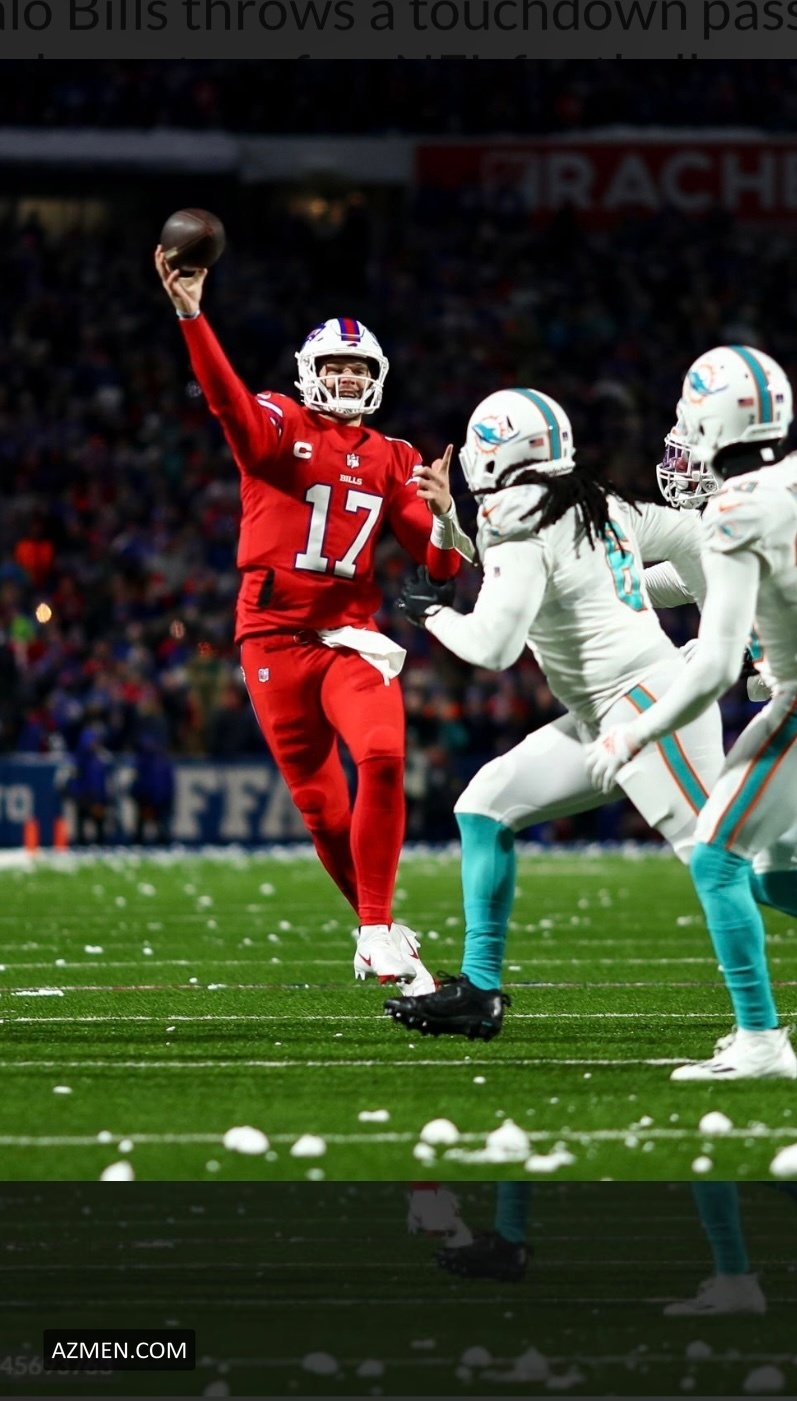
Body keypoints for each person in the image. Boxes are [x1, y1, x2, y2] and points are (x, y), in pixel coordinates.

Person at [155, 249, 469, 990]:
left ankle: (374, 930)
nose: (348, 377)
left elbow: (439, 568)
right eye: (335, 365)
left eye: (359, 368)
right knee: (322, 810)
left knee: (383, 755)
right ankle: (377, 927)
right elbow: (228, 404)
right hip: (270, 637)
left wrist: (447, 518)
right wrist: (192, 314)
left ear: (377, 377)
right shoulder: (278, 419)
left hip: (348, 635)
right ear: (309, 371)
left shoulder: (396, 456)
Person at [384, 386, 723, 1041]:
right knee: (484, 805)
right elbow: (688, 536)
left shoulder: (517, 514)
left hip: (647, 706)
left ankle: (760, 1035)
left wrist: (432, 614)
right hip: (608, 710)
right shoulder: (590, 499)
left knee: (730, 864)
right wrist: (716, 618)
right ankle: (478, 990)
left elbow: (493, 645)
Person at [585, 345, 797, 1081]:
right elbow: (679, 582)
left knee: (715, 856)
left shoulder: (734, 510)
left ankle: (760, 1042)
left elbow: (714, 663)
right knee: (773, 869)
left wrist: (636, 730)